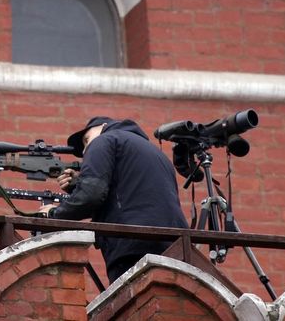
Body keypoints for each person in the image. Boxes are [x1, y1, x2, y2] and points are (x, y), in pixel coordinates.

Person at [39, 116, 189, 283]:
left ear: (103, 126)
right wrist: (78, 186)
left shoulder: (104, 140)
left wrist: (54, 214)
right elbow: (131, 192)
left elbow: (91, 195)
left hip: (131, 244)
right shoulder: (156, 154)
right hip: (175, 244)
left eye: (86, 140)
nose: (84, 151)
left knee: (130, 304)